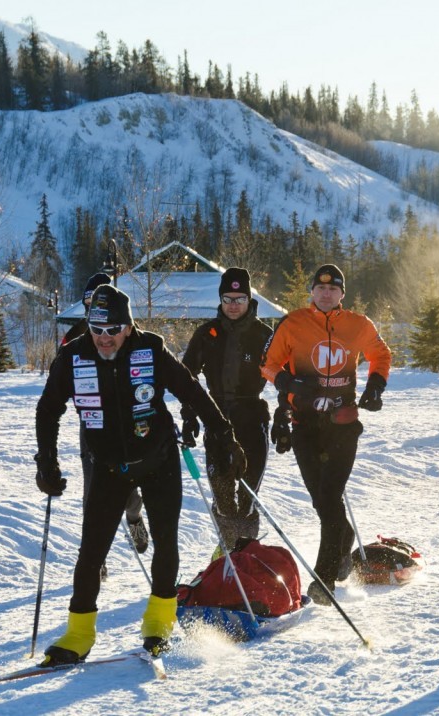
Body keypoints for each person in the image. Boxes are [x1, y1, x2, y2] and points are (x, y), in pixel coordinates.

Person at [34, 284, 247, 664]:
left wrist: (225, 436)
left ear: (129, 327)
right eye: (96, 329)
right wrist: (46, 461)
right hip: (108, 467)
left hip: (158, 460)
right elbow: (48, 409)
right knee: (91, 551)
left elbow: (192, 392)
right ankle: (78, 634)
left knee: (165, 542)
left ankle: (158, 625)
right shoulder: (73, 357)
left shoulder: (151, 350)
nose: (104, 338)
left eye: (113, 330)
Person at [261, 264, 392, 606]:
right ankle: (344, 539)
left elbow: (381, 354)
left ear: (341, 294)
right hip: (304, 425)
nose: (326, 294)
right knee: (322, 501)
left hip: (343, 424)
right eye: (320, 289)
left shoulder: (358, 324)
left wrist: (375, 386)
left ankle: (324, 579)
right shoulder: (293, 323)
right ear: (312, 292)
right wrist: (287, 382)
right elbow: (268, 364)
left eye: (333, 289)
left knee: (330, 497)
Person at [180, 267, 275, 553]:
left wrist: (286, 415)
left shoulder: (264, 335)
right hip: (216, 418)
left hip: (252, 418)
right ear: (220, 300)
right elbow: (185, 377)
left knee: (247, 498)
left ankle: (246, 555)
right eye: (228, 299)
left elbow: (285, 376)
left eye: (239, 299)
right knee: (223, 497)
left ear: (249, 299)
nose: (233, 305)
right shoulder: (207, 333)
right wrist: (189, 415)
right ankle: (228, 553)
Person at [62, 273, 147, 574]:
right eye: (87, 302)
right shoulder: (75, 336)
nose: (92, 308)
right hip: (91, 425)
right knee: (93, 492)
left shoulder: (124, 332)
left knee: (128, 488)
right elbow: (60, 374)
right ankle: (96, 556)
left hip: (126, 424)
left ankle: (134, 518)